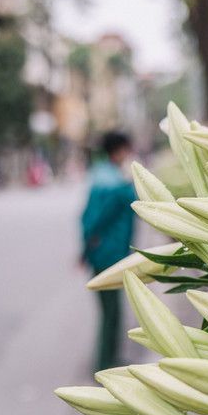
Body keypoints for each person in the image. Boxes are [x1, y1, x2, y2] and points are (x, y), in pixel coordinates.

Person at [80, 131, 136, 372]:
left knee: (112, 311)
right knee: (110, 312)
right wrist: (83, 252)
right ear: (120, 150)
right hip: (110, 255)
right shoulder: (116, 183)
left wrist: (84, 251)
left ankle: (110, 359)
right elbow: (97, 222)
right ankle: (103, 365)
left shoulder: (101, 175)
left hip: (105, 254)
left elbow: (86, 219)